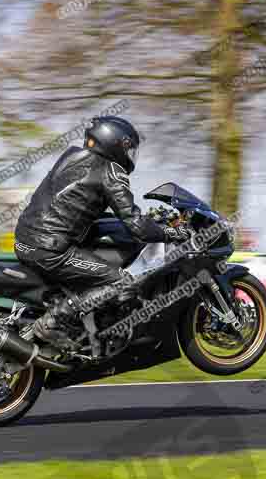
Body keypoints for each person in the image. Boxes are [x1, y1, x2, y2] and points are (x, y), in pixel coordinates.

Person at [14, 116, 193, 350]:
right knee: (122, 282)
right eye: (130, 149)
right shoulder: (111, 172)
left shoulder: (71, 157)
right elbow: (136, 225)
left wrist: (147, 222)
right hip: (51, 249)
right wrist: (171, 232)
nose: (131, 155)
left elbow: (78, 209)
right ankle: (51, 323)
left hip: (25, 241)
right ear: (116, 143)